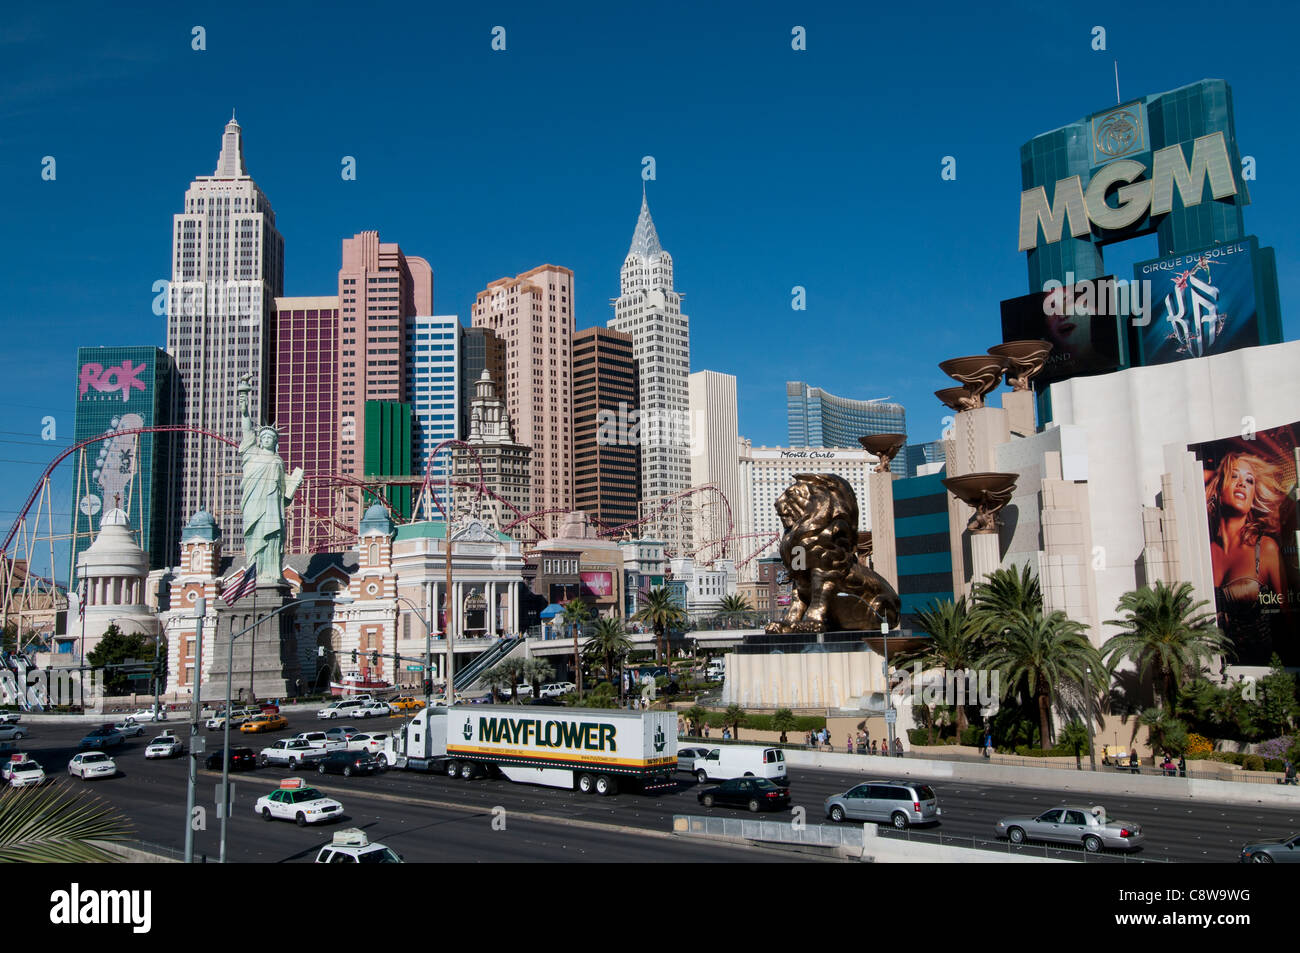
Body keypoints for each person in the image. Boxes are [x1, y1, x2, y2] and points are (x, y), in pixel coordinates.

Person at [1205, 451, 1289, 663]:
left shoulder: (1265, 548)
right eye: (1234, 476)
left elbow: (1289, 617)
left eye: (1249, 480)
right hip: (1215, 672)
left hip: (1264, 671)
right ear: (1219, 488)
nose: (1242, 483)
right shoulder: (1205, 550)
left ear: (1253, 497)